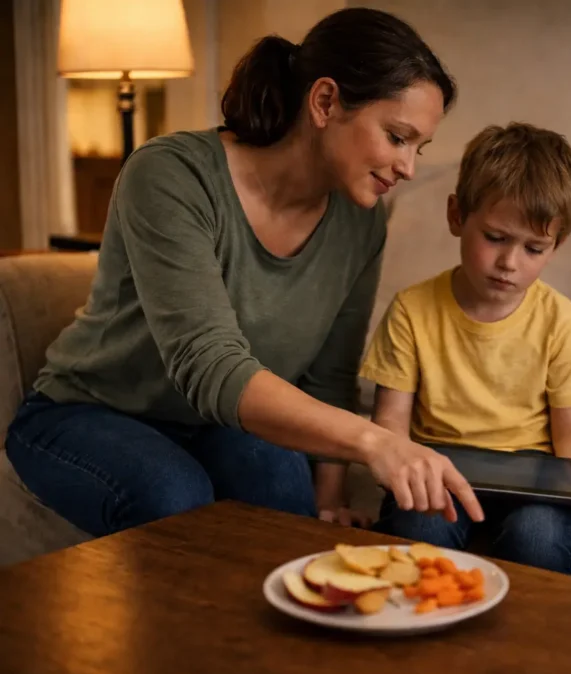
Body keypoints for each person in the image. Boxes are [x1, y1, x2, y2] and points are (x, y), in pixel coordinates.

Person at [3, 7, 484, 539]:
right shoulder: (170, 175)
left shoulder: (361, 222)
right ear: (325, 102)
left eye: (420, 147)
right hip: (86, 413)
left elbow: (329, 374)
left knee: (281, 486)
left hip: (216, 425)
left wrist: (329, 502)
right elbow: (208, 364)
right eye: (397, 137)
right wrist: (376, 441)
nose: (409, 167)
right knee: (173, 494)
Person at [359, 123, 571, 575]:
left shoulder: (562, 321)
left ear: (556, 247)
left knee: (538, 538)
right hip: (439, 471)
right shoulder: (411, 310)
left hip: (539, 482)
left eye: (533, 248)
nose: (509, 263)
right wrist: (400, 470)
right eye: (496, 238)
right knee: (420, 537)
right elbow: (390, 427)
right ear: (457, 216)